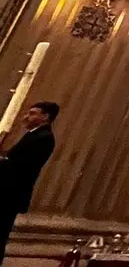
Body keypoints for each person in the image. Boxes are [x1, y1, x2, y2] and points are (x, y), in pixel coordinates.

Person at [0, 102, 58, 260]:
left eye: (32, 113)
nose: (26, 117)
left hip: (10, 194)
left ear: (45, 117)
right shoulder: (34, 134)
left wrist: (3, 161)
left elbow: (24, 166)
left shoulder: (44, 138)